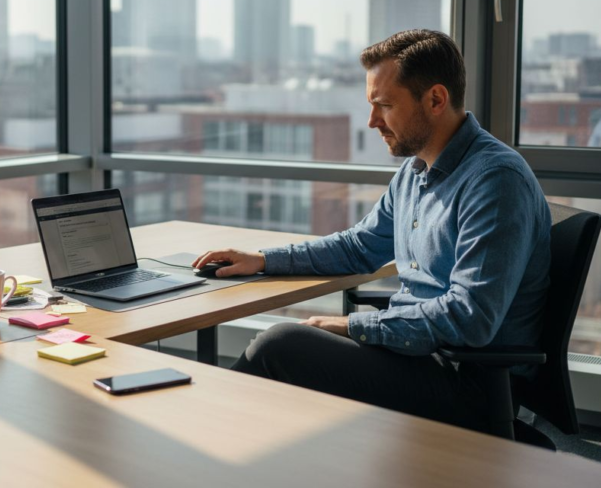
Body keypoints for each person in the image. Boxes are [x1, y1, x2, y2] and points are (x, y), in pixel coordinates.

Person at [193, 29, 551, 433]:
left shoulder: (494, 180)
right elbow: (359, 247)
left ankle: (202, 445)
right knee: (288, 362)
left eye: (384, 105)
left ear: (435, 99)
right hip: (418, 357)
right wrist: (263, 260)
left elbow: (471, 319)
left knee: (279, 347)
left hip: (468, 380)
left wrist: (353, 326)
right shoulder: (415, 172)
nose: (371, 121)